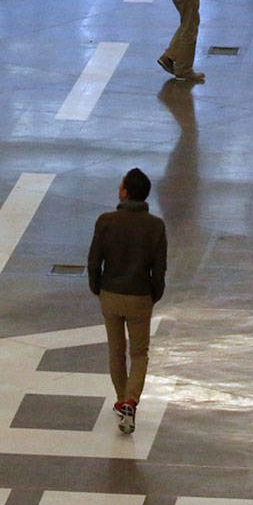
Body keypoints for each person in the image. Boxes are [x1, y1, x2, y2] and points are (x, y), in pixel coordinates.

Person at [87, 167, 168, 436]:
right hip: (139, 297)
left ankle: (123, 401)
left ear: (125, 191)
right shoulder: (156, 226)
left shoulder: (105, 221)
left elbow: (94, 260)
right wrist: (154, 294)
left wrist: (97, 288)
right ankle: (131, 401)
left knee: (116, 351)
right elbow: (159, 268)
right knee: (139, 353)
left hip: (110, 295)